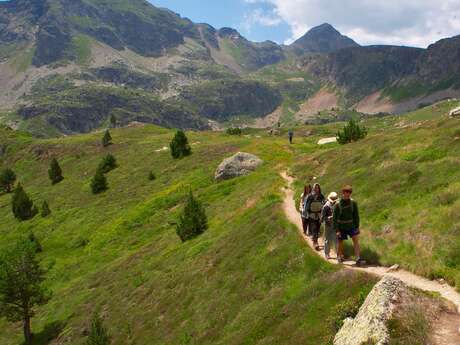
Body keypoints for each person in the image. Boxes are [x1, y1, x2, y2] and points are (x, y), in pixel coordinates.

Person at [333, 185, 364, 265]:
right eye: (346, 192)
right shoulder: (337, 204)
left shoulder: (353, 203)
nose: (347, 194)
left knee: (355, 241)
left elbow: (356, 216)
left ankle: (358, 258)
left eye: (349, 193)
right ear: (343, 193)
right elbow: (335, 219)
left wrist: (357, 227)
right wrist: (337, 230)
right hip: (341, 227)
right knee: (340, 242)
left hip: (351, 226)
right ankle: (339, 257)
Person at [304, 183, 325, 250]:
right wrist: (306, 213)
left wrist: (323, 213)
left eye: (317, 188)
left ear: (319, 189)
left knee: (318, 228)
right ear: (313, 188)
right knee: (314, 228)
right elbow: (307, 205)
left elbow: (323, 204)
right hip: (312, 215)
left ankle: (314, 239)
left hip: (319, 215)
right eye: (315, 188)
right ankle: (315, 243)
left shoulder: (321, 196)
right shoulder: (310, 196)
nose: (316, 189)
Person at [321, 192, 338, 259]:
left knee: (336, 239)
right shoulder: (326, 206)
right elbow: (322, 218)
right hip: (328, 225)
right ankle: (327, 253)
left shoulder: (337, 205)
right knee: (328, 239)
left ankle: (338, 254)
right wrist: (328, 218)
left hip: (335, 225)